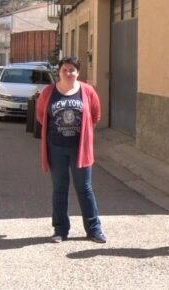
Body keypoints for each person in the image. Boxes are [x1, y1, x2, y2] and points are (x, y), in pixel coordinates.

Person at [35, 56, 106, 244]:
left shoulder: (87, 91)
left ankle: (94, 229)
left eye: (72, 70)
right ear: (59, 72)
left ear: (78, 72)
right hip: (56, 147)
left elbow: (95, 115)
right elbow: (42, 116)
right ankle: (60, 230)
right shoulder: (49, 92)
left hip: (79, 149)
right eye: (64, 69)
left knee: (85, 188)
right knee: (59, 189)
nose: (68, 73)